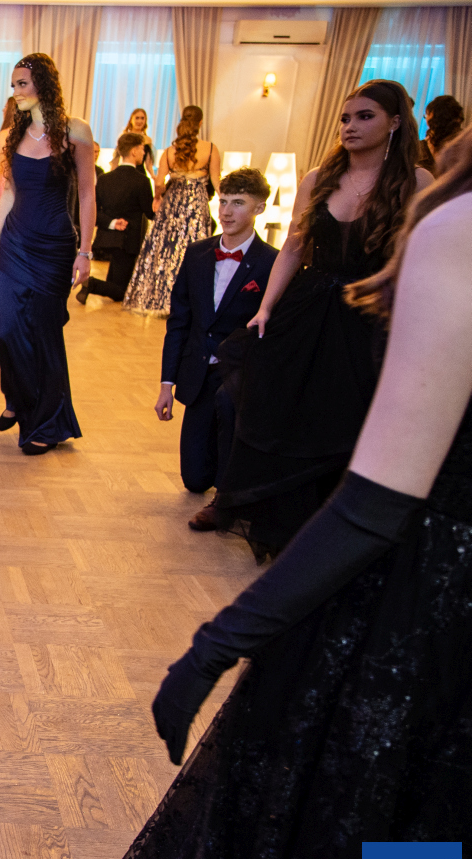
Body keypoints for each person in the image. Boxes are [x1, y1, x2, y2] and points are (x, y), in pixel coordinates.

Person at [80, 128, 472, 859]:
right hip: (435, 616)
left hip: (431, 624)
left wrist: (216, 645)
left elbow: (374, 507)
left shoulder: (457, 230)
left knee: (399, 834)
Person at [213, 79, 433, 560]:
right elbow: (294, 246)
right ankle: (255, 507)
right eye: (345, 118)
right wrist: (266, 306)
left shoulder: (417, 182)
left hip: (369, 313)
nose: (350, 126)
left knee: (342, 417)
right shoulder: (319, 178)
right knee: (274, 402)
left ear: (395, 122)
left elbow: (422, 258)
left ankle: (327, 530)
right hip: (310, 305)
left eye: (365, 116)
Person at [0, 53, 96, 455]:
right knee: (5, 329)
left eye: (22, 84)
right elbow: (9, 193)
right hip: (16, 243)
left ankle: (47, 424)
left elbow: (87, 194)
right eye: (13, 85)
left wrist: (85, 251)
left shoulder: (75, 131)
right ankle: (17, 395)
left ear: (44, 85)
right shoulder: (9, 136)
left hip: (55, 247)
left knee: (45, 335)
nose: (16, 92)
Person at [155, 167, 276, 527]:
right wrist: (166, 384)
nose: (225, 211)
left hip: (238, 376)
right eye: (222, 201)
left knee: (226, 467)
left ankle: (230, 492)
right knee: (194, 480)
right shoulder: (197, 254)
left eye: (238, 203)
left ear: (259, 208)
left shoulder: (272, 263)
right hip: (198, 374)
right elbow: (179, 321)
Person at [123, 105, 219, 317]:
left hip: (173, 203)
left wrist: (158, 197)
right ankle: (189, 301)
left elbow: (159, 183)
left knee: (166, 250)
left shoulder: (169, 152)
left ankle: (161, 299)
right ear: (200, 123)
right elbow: (216, 182)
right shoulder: (211, 149)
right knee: (193, 248)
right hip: (196, 204)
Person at [81, 132, 153, 304]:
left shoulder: (105, 179)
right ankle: (92, 284)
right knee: (121, 292)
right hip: (128, 241)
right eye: (142, 149)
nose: (144, 153)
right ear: (134, 151)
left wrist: (112, 223)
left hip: (107, 238)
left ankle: (94, 285)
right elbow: (151, 213)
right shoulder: (141, 181)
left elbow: (94, 212)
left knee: (115, 283)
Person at [420, 93, 463, 174]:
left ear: (432, 116)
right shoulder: (465, 143)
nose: (426, 120)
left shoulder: (419, 148)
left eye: (427, 115)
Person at [113, 106, 156, 181]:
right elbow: (116, 159)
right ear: (131, 120)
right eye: (137, 118)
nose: (139, 121)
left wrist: (153, 176)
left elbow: (148, 163)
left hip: (140, 173)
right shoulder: (124, 136)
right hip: (125, 173)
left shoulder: (148, 140)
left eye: (142, 118)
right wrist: (112, 174)